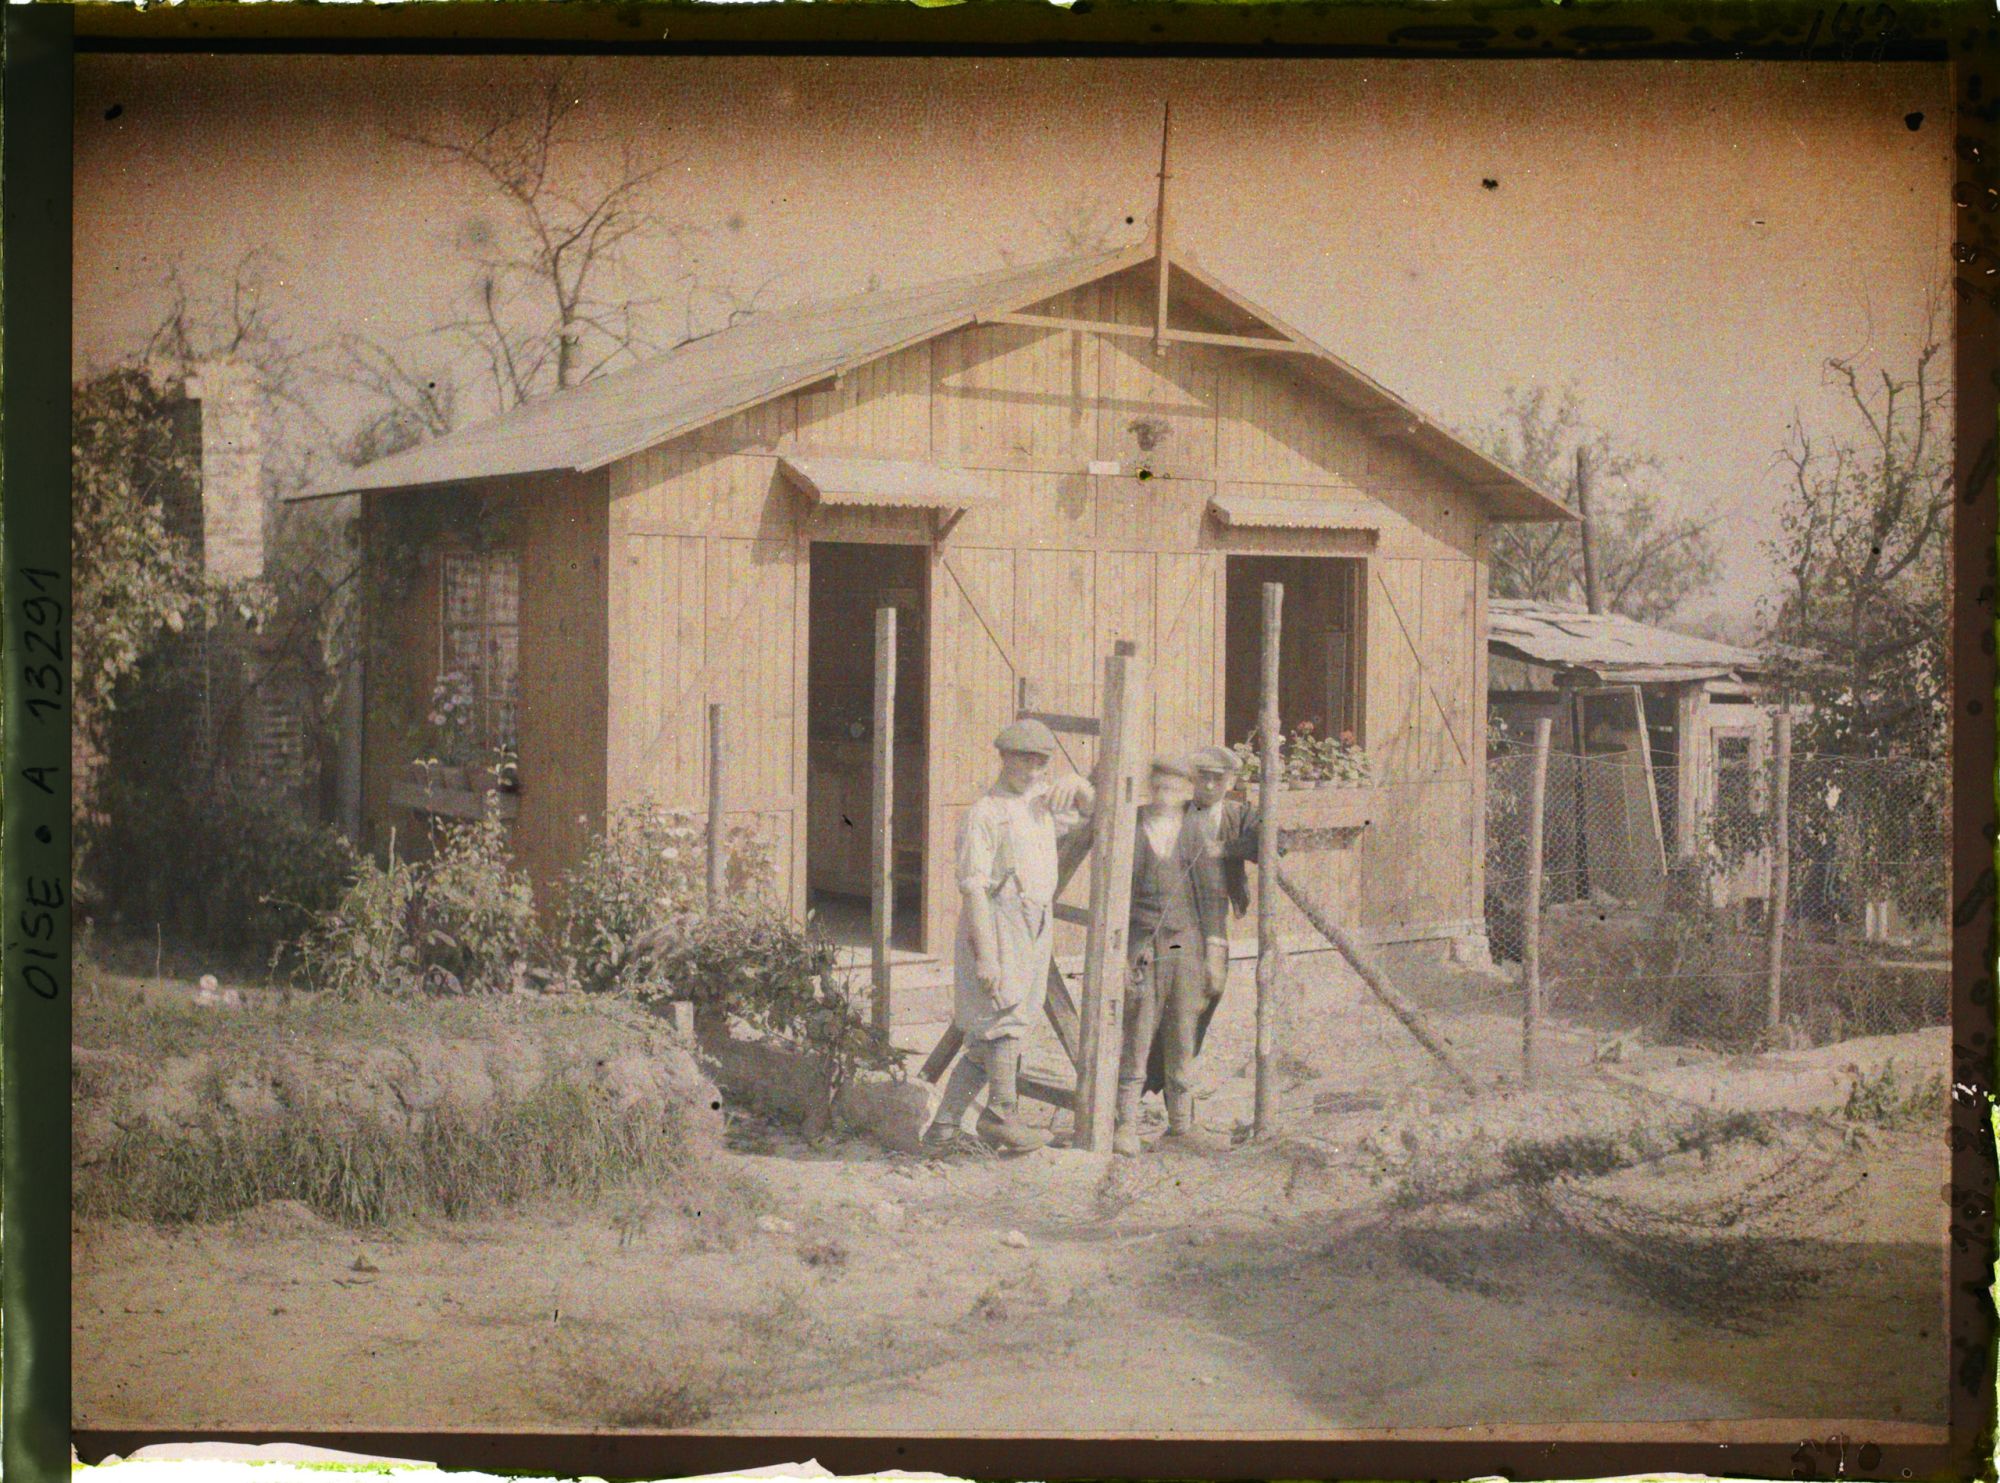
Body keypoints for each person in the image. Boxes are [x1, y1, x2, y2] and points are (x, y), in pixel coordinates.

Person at [922, 719, 1095, 1154]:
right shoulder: (986, 813)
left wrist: (1076, 782)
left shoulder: (1039, 804)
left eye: (1041, 762)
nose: (1033, 770)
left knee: (994, 1037)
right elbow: (974, 889)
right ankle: (1001, 1115)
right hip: (997, 923)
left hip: (1035, 920)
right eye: (1023, 759)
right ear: (1003, 758)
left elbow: (1093, 814)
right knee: (1001, 1022)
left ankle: (942, 1131)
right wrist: (987, 956)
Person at [1116, 754, 1230, 1156]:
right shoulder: (1129, 826)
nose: (1165, 795)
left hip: (1184, 943)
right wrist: (1124, 953)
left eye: (1174, 788)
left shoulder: (1195, 830)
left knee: (1183, 1032)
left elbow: (1213, 897)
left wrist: (1214, 955)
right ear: (1151, 787)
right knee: (1138, 1029)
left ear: (1186, 791)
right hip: (1144, 943)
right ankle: (1125, 1124)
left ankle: (1181, 1125)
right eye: (1159, 786)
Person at [1145, 744, 1260, 1097]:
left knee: (1209, 993)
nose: (1209, 787)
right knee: (1170, 996)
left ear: (1230, 781)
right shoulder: (1177, 813)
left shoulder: (1238, 815)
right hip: (1176, 925)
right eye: (1203, 779)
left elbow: (1273, 843)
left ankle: (1171, 1082)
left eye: (1217, 780)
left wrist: (1226, 849)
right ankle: (1152, 1083)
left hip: (1213, 922)